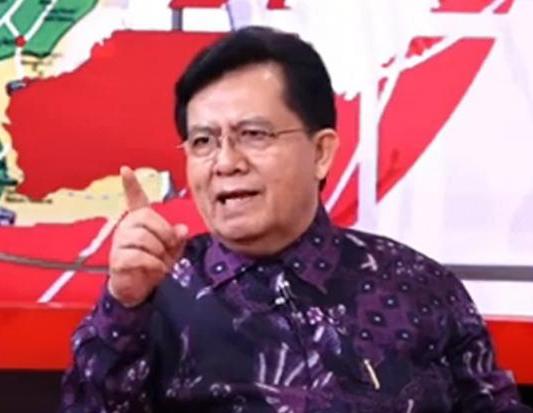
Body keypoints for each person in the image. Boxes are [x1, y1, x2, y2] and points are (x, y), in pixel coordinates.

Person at [60, 26, 532, 413]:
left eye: (253, 134)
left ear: (321, 152)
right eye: (203, 141)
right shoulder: (155, 295)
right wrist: (123, 307)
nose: (226, 162)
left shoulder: (418, 286)